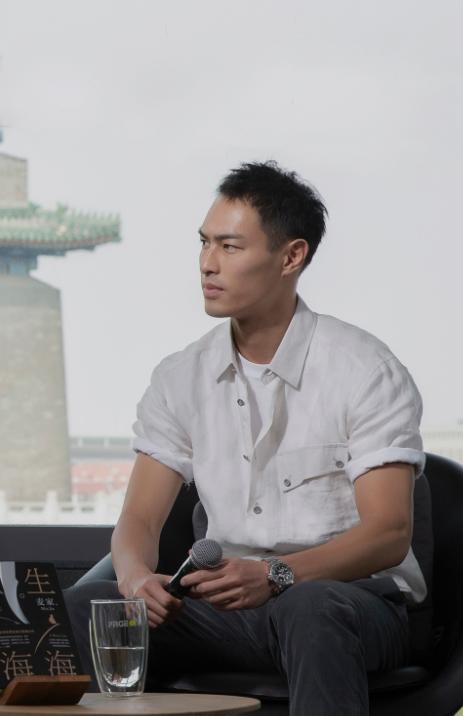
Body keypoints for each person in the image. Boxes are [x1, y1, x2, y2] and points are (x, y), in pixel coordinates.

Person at [65, 161, 428, 715]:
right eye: (204, 243)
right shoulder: (179, 376)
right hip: (228, 609)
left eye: (230, 247)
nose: (207, 264)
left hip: (351, 602)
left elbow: (389, 535)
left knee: (311, 608)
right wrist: (136, 580)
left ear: (291, 257)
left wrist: (276, 575)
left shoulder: (364, 369)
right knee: (86, 607)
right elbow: (139, 519)